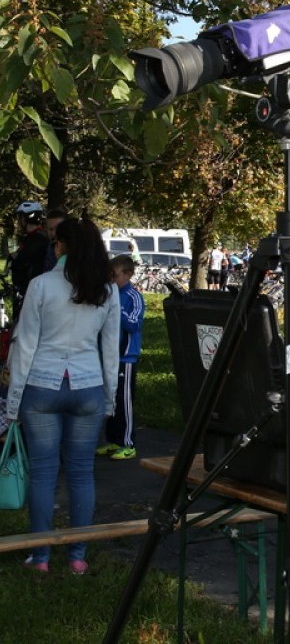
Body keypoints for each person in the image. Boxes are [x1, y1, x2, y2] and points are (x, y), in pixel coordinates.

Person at [6, 218, 119, 574]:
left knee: (42, 474)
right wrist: (111, 399)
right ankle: (77, 556)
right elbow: (111, 349)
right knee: (82, 473)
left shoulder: (41, 285)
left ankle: (40, 558)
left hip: (41, 384)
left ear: (60, 246)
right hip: (88, 386)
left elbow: (24, 345)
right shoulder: (107, 289)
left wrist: (12, 403)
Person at [96, 255, 144, 461]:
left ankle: (127, 443)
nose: (112, 280)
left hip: (126, 358)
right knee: (110, 398)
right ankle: (114, 440)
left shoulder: (133, 296)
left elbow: (134, 324)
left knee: (123, 401)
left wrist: (118, 310)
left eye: (115, 276)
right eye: (110, 276)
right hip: (109, 356)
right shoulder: (109, 293)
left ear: (128, 274)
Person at [9, 201, 49, 318]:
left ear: (27, 218)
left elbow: (21, 261)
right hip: (26, 292)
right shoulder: (33, 238)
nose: (19, 222)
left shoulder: (37, 239)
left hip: (30, 295)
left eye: (21, 218)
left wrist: (15, 258)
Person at [42, 207, 68, 272]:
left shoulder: (77, 250)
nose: (54, 233)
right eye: (50, 229)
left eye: (58, 228)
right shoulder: (44, 249)